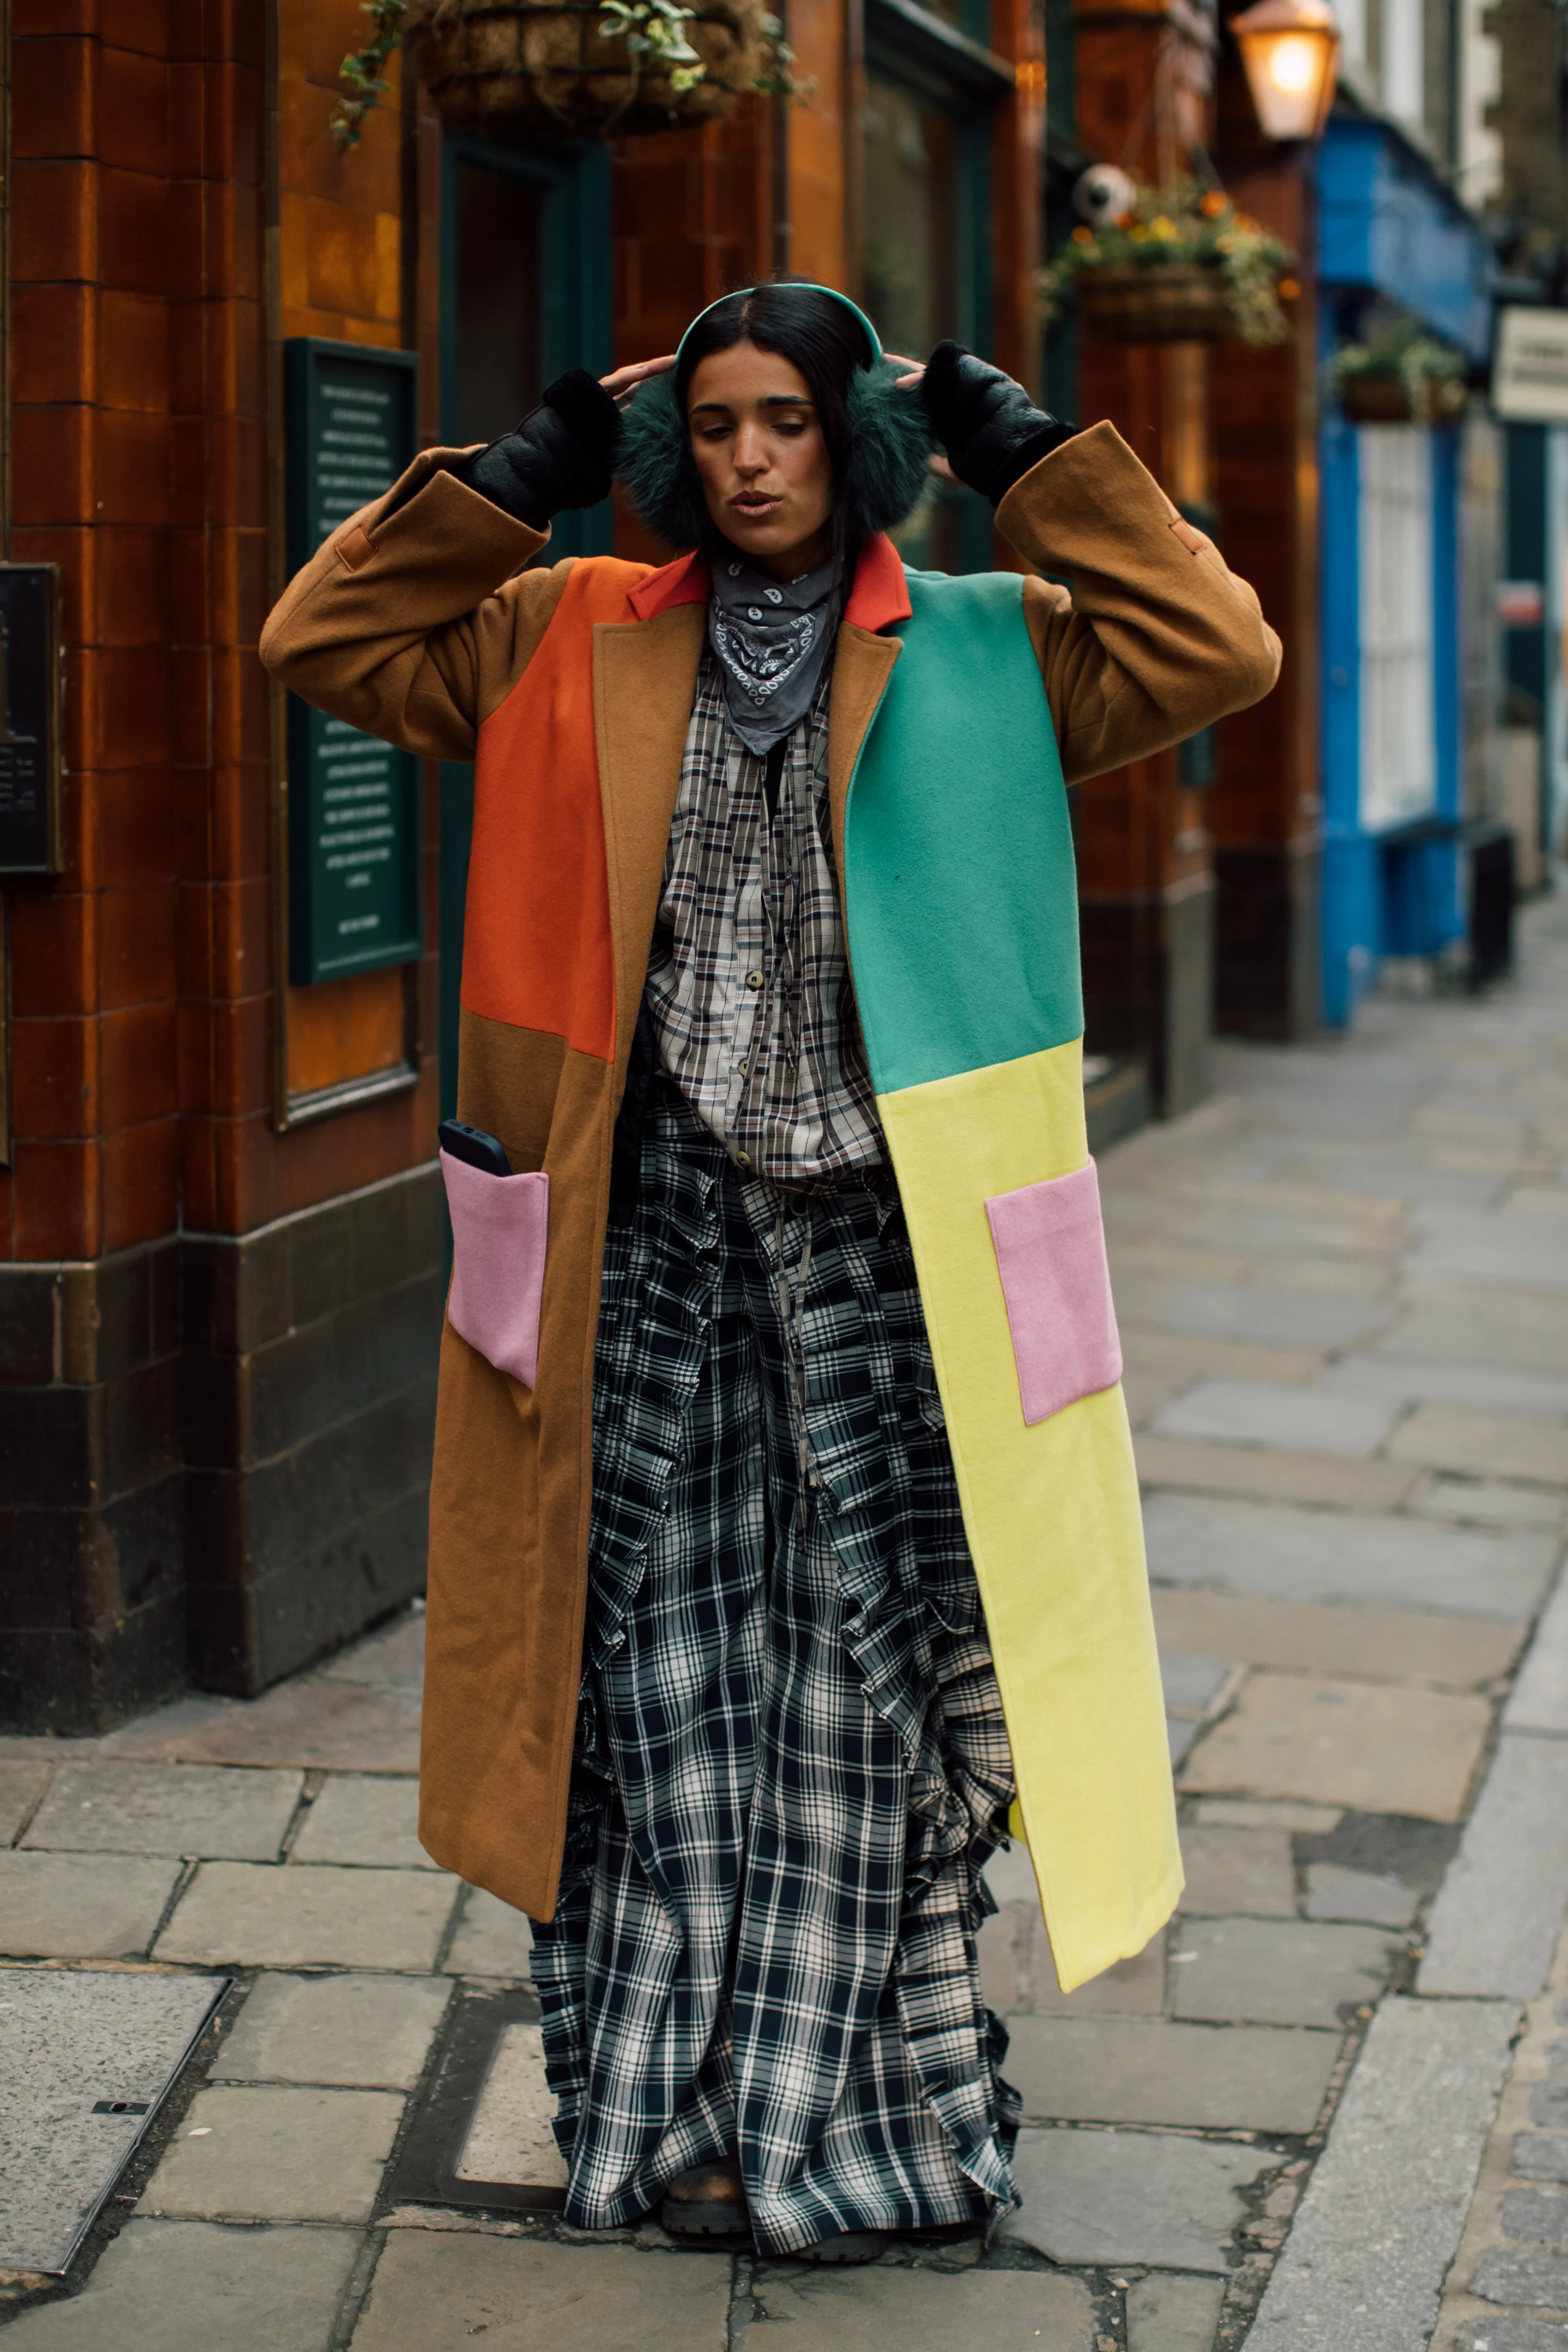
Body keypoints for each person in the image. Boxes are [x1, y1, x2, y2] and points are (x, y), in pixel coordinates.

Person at [261, 282, 1280, 2261]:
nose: (746, 458)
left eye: (789, 421)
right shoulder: (562, 628)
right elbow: (326, 634)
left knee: (859, 1698)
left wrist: (1021, 449)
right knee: (649, 1690)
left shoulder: (992, 643)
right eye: (715, 422)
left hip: (891, 1269)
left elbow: (1215, 643)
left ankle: (854, 2111)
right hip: (636, 1254)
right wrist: (535, 465)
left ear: (852, 438)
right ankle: (670, 2108)